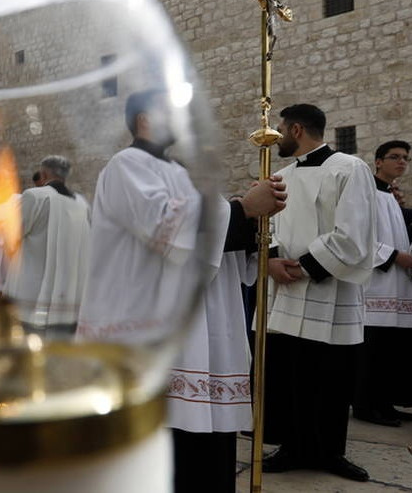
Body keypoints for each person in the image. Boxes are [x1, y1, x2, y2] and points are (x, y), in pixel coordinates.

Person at [76, 90, 286, 493]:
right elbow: (168, 229)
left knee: (204, 452)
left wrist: (250, 222)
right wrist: (242, 210)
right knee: (176, 454)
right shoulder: (128, 164)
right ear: (144, 121)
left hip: (202, 331)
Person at [262, 103, 375, 482]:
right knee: (291, 371)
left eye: (279, 128)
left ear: (296, 129)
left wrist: (307, 266)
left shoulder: (348, 168)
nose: (275, 135)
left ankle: (329, 452)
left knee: (329, 375)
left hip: (330, 289)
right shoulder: (279, 175)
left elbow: (354, 232)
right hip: (286, 289)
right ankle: (292, 447)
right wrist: (273, 260)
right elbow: (270, 226)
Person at [353, 140, 412, 425]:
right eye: (395, 157)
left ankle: (385, 404)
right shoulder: (366, 192)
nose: (401, 162)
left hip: (398, 285)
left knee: (391, 351)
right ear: (378, 161)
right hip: (376, 283)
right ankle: (365, 406)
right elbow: (360, 236)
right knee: (373, 351)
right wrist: (395, 257)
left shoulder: (391, 195)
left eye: (405, 158)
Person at [4, 156, 90, 337]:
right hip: (69, 293)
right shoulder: (82, 204)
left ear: (43, 173)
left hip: (32, 290)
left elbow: (11, 234)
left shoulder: (34, 196)